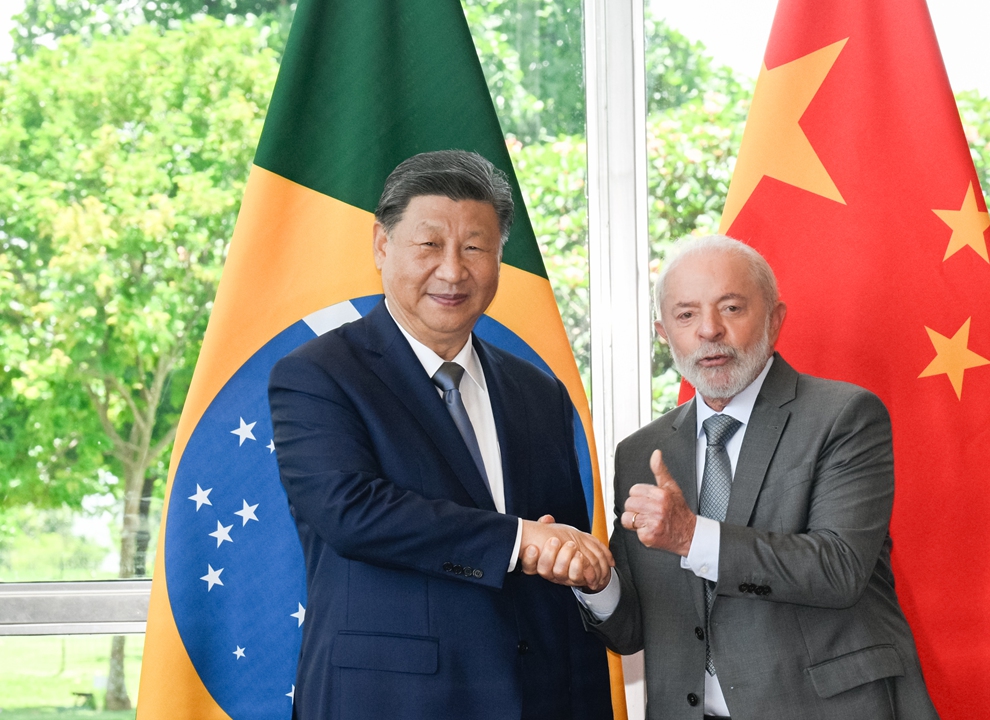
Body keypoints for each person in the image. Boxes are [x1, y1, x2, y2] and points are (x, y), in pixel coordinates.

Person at [268, 150, 614, 720]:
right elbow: (350, 512)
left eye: (475, 248)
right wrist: (517, 541)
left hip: (538, 696)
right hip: (390, 703)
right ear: (382, 245)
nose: (453, 271)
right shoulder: (318, 375)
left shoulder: (538, 392)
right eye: (429, 245)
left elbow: (560, 553)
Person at [575, 235, 939, 719]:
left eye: (731, 308)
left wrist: (692, 536)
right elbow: (638, 630)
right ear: (664, 334)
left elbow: (839, 569)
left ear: (775, 319)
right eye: (686, 315)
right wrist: (597, 583)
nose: (709, 330)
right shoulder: (641, 451)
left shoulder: (845, 416)